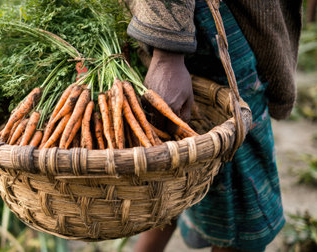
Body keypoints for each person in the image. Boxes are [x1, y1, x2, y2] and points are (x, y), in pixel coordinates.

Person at [124, 0, 303, 251]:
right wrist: (168, 54)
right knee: (229, 176)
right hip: (205, 21)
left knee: (179, 160)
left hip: (176, 20)